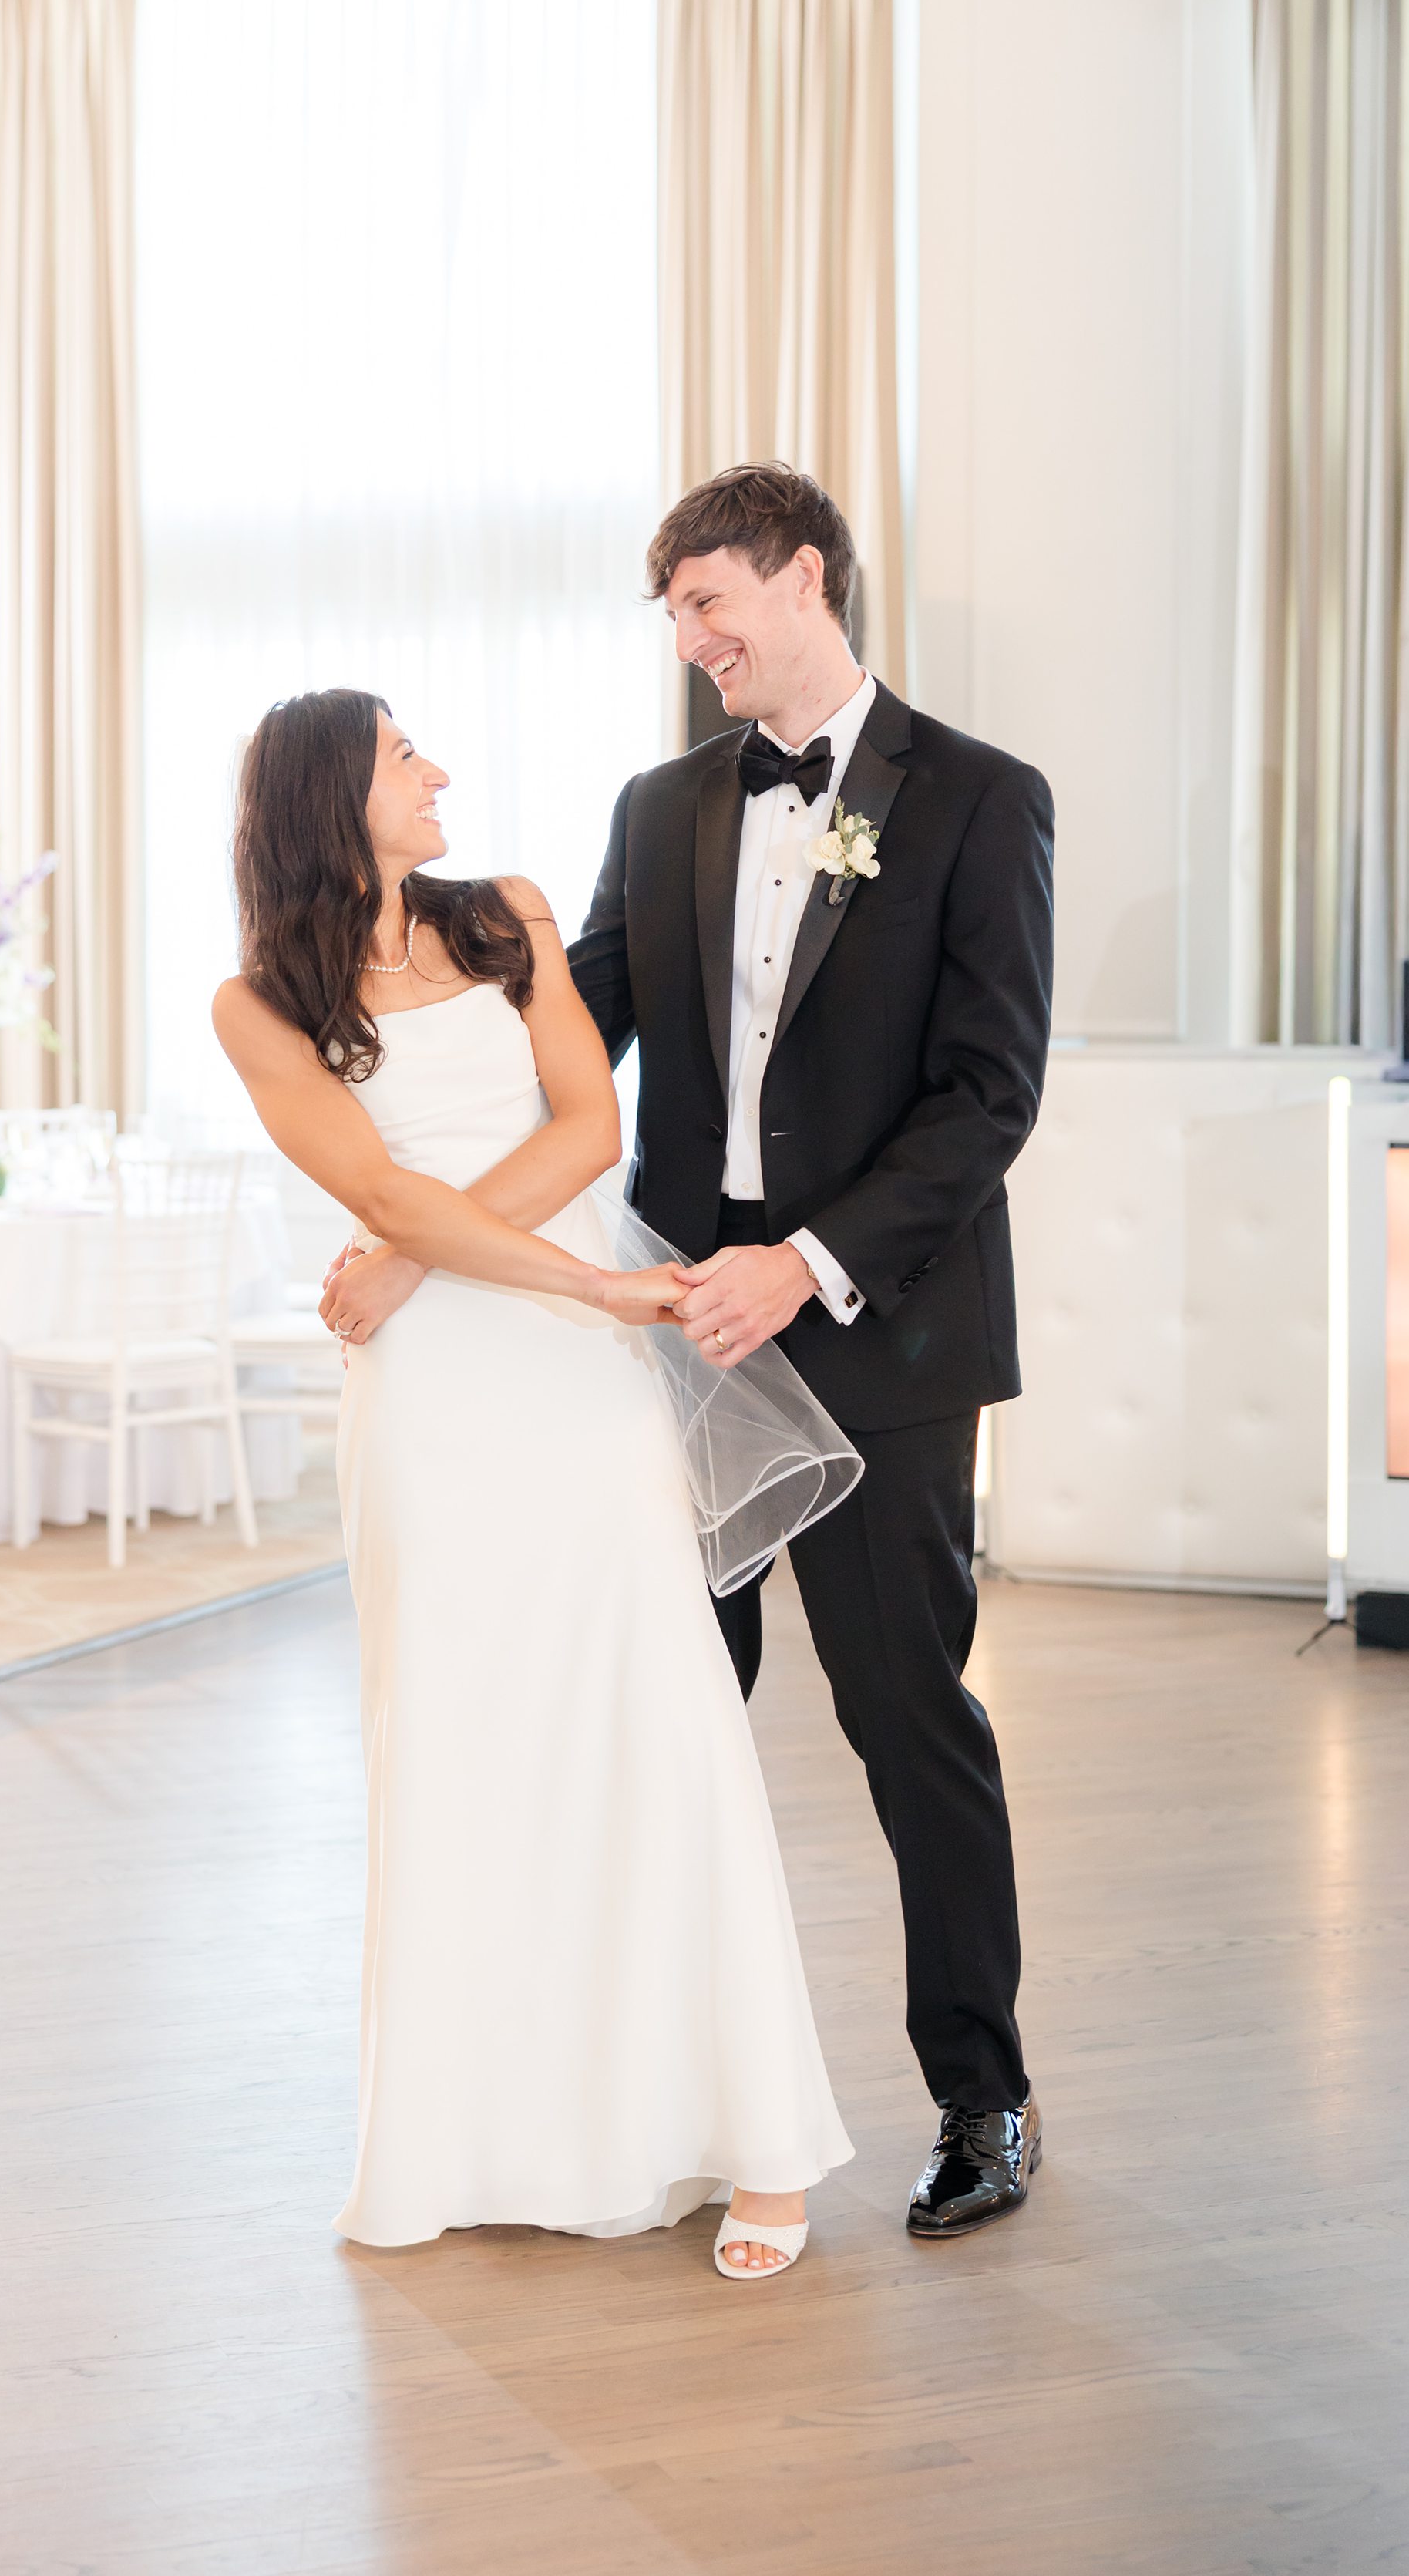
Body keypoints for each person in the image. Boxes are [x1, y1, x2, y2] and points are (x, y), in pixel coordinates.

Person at [215, 687, 852, 2276]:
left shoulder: (505, 915)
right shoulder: (255, 1005)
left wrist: (462, 1272)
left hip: (568, 1387)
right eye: (403, 755)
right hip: (435, 1414)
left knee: (660, 1715)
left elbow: (590, 1125)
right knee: (456, 1744)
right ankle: (477, 2137)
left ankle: (754, 2138)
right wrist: (547, 1282)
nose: (438, 773)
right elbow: (369, 1186)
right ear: (327, 796)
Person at [564, 462, 1054, 2241]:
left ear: (804, 579)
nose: (692, 643)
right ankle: (661, 2097)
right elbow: (579, 1038)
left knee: (907, 1718)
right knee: (669, 1716)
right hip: (683, 1340)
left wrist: (812, 1263)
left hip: (880, 1342)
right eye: (677, 615)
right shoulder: (660, 805)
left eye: (710, 603)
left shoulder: (984, 800)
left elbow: (990, 1096)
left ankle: (983, 2102)